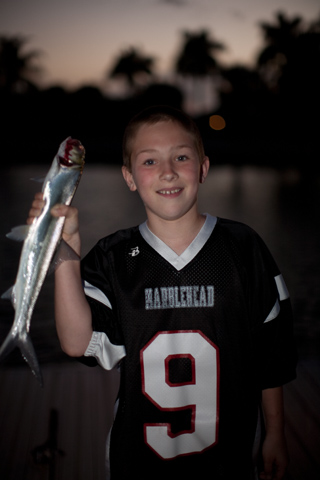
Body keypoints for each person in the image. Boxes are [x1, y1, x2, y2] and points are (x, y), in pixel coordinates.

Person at [28, 106, 297, 480]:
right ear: (130, 177)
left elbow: (271, 355)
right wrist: (66, 249)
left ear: (203, 167)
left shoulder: (243, 248)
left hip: (229, 460)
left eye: (181, 156)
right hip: (140, 463)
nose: (168, 171)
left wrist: (275, 434)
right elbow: (77, 343)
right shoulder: (113, 257)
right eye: (150, 160)